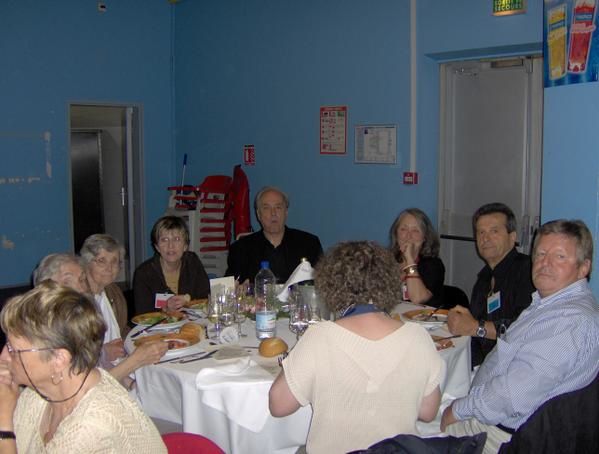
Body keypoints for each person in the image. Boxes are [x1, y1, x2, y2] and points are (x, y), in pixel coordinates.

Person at [269, 241, 444, 454]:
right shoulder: (418, 337)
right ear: (389, 283)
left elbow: (278, 406)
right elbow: (428, 412)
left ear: (332, 285)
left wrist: (292, 359)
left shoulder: (320, 336)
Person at [441, 219, 599, 454]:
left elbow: (513, 395)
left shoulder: (569, 322)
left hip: (501, 433)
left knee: (409, 424)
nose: (545, 263)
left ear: (583, 267)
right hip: (494, 407)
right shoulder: (550, 303)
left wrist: (457, 410)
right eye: (541, 253)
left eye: (559, 257)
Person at [0, 281, 166, 453]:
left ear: (59, 359)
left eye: (13, 349)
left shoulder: (91, 425)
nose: (3, 356)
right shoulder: (38, 393)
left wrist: (4, 417)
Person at [34, 251, 167, 388]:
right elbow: (85, 390)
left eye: (81, 280)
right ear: (46, 289)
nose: (80, 288)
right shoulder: (46, 334)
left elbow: (99, 369)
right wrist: (136, 360)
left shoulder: (77, 322)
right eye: (67, 281)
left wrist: (132, 385)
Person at [447, 203, 534, 367]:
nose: (485, 238)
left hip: (515, 367)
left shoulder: (527, 272)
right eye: (481, 232)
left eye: (494, 231)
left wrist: (476, 327)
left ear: (512, 236)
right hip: (484, 364)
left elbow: (526, 330)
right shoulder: (484, 278)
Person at [225, 186, 323, 283]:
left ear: (286, 212)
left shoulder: (309, 244)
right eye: (266, 208)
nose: (273, 213)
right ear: (258, 215)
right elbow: (229, 287)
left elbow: (324, 283)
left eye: (278, 207)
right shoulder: (240, 249)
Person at [133, 216, 210, 315]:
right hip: (158, 328)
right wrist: (165, 309)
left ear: (185, 245)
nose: (171, 246)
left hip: (192, 324)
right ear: (157, 247)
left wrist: (188, 300)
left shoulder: (192, 262)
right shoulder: (144, 273)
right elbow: (143, 314)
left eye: (177, 239)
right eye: (164, 240)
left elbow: (206, 297)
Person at [389, 208, 445, 306]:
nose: (408, 235)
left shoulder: (433, 265)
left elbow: (417, 299)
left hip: (420, 318)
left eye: (415, 230)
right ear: (396, 233)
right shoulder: (386, 260)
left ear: (425, 237)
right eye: (403, 229)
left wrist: (409, 260)